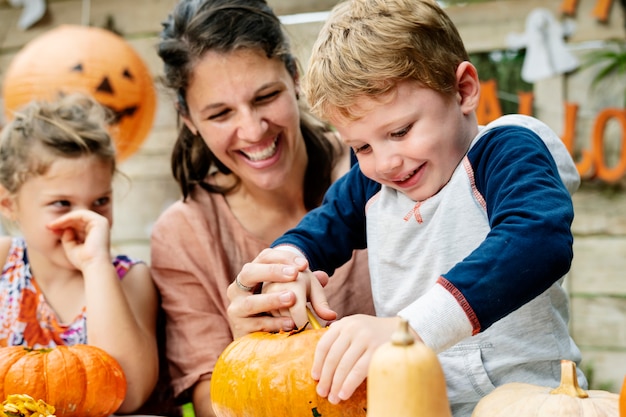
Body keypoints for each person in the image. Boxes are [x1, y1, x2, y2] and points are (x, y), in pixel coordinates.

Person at [231, 0, 588, 416]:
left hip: (531, 402)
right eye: (361, 146)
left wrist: (408, 331)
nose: (384, 162)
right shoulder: (374, 185)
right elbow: (320, 229)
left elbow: (536, 242)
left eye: (400, 131)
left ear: (463, 90)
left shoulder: (504, 151)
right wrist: (286, 270)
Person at [149, 0, 375, 416]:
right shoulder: (184, 235)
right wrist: (246, 350)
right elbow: (210, 406)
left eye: (266, 96)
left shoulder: (381, 166)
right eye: (219, 113)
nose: (253, 131)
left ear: (294, 77)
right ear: (188, 118)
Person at [0, 93, 159, 414]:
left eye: (100, 202)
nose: (87, 222)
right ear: (9, 204)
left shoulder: (129, 278)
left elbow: (127, 393)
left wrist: (95, 264)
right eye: (62, 204)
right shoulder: (3, 261)